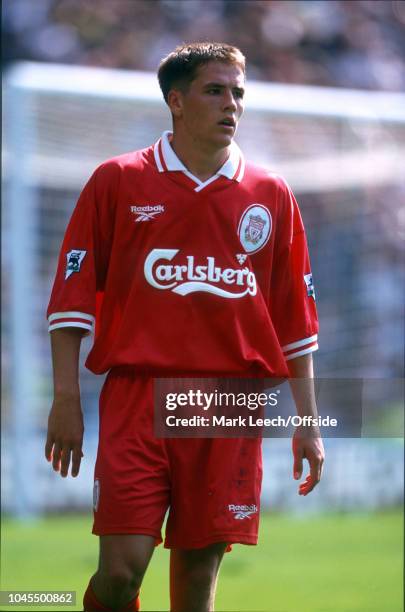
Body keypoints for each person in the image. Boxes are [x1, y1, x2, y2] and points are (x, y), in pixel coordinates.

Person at [45, 42, 324, 612]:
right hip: (137, 398)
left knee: (197, 586)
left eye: (238, 93)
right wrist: (66, 399)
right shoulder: (117, 181)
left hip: (229, 405)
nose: (232, 105)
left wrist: (308, 422)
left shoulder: (270, 195)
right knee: (120, 574)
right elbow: (70, 303)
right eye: (215, 91)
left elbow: (296, 323)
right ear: (176, 100)